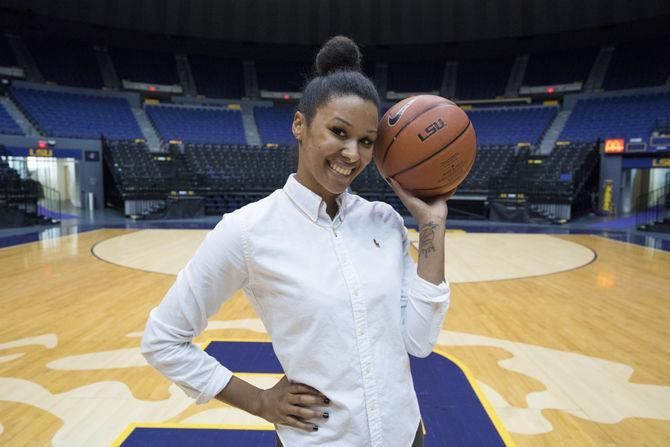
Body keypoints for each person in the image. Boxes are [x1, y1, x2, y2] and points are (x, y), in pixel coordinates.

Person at [141, 36, 451, 447]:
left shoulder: (384, 222)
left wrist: (432, 226)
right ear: (299, 125)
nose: (352, 154)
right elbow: (163, 340)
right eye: (338, 132)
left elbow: (418, 341)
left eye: (365, 141)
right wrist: (258, 402)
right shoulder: (248, 231)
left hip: (404, 435)